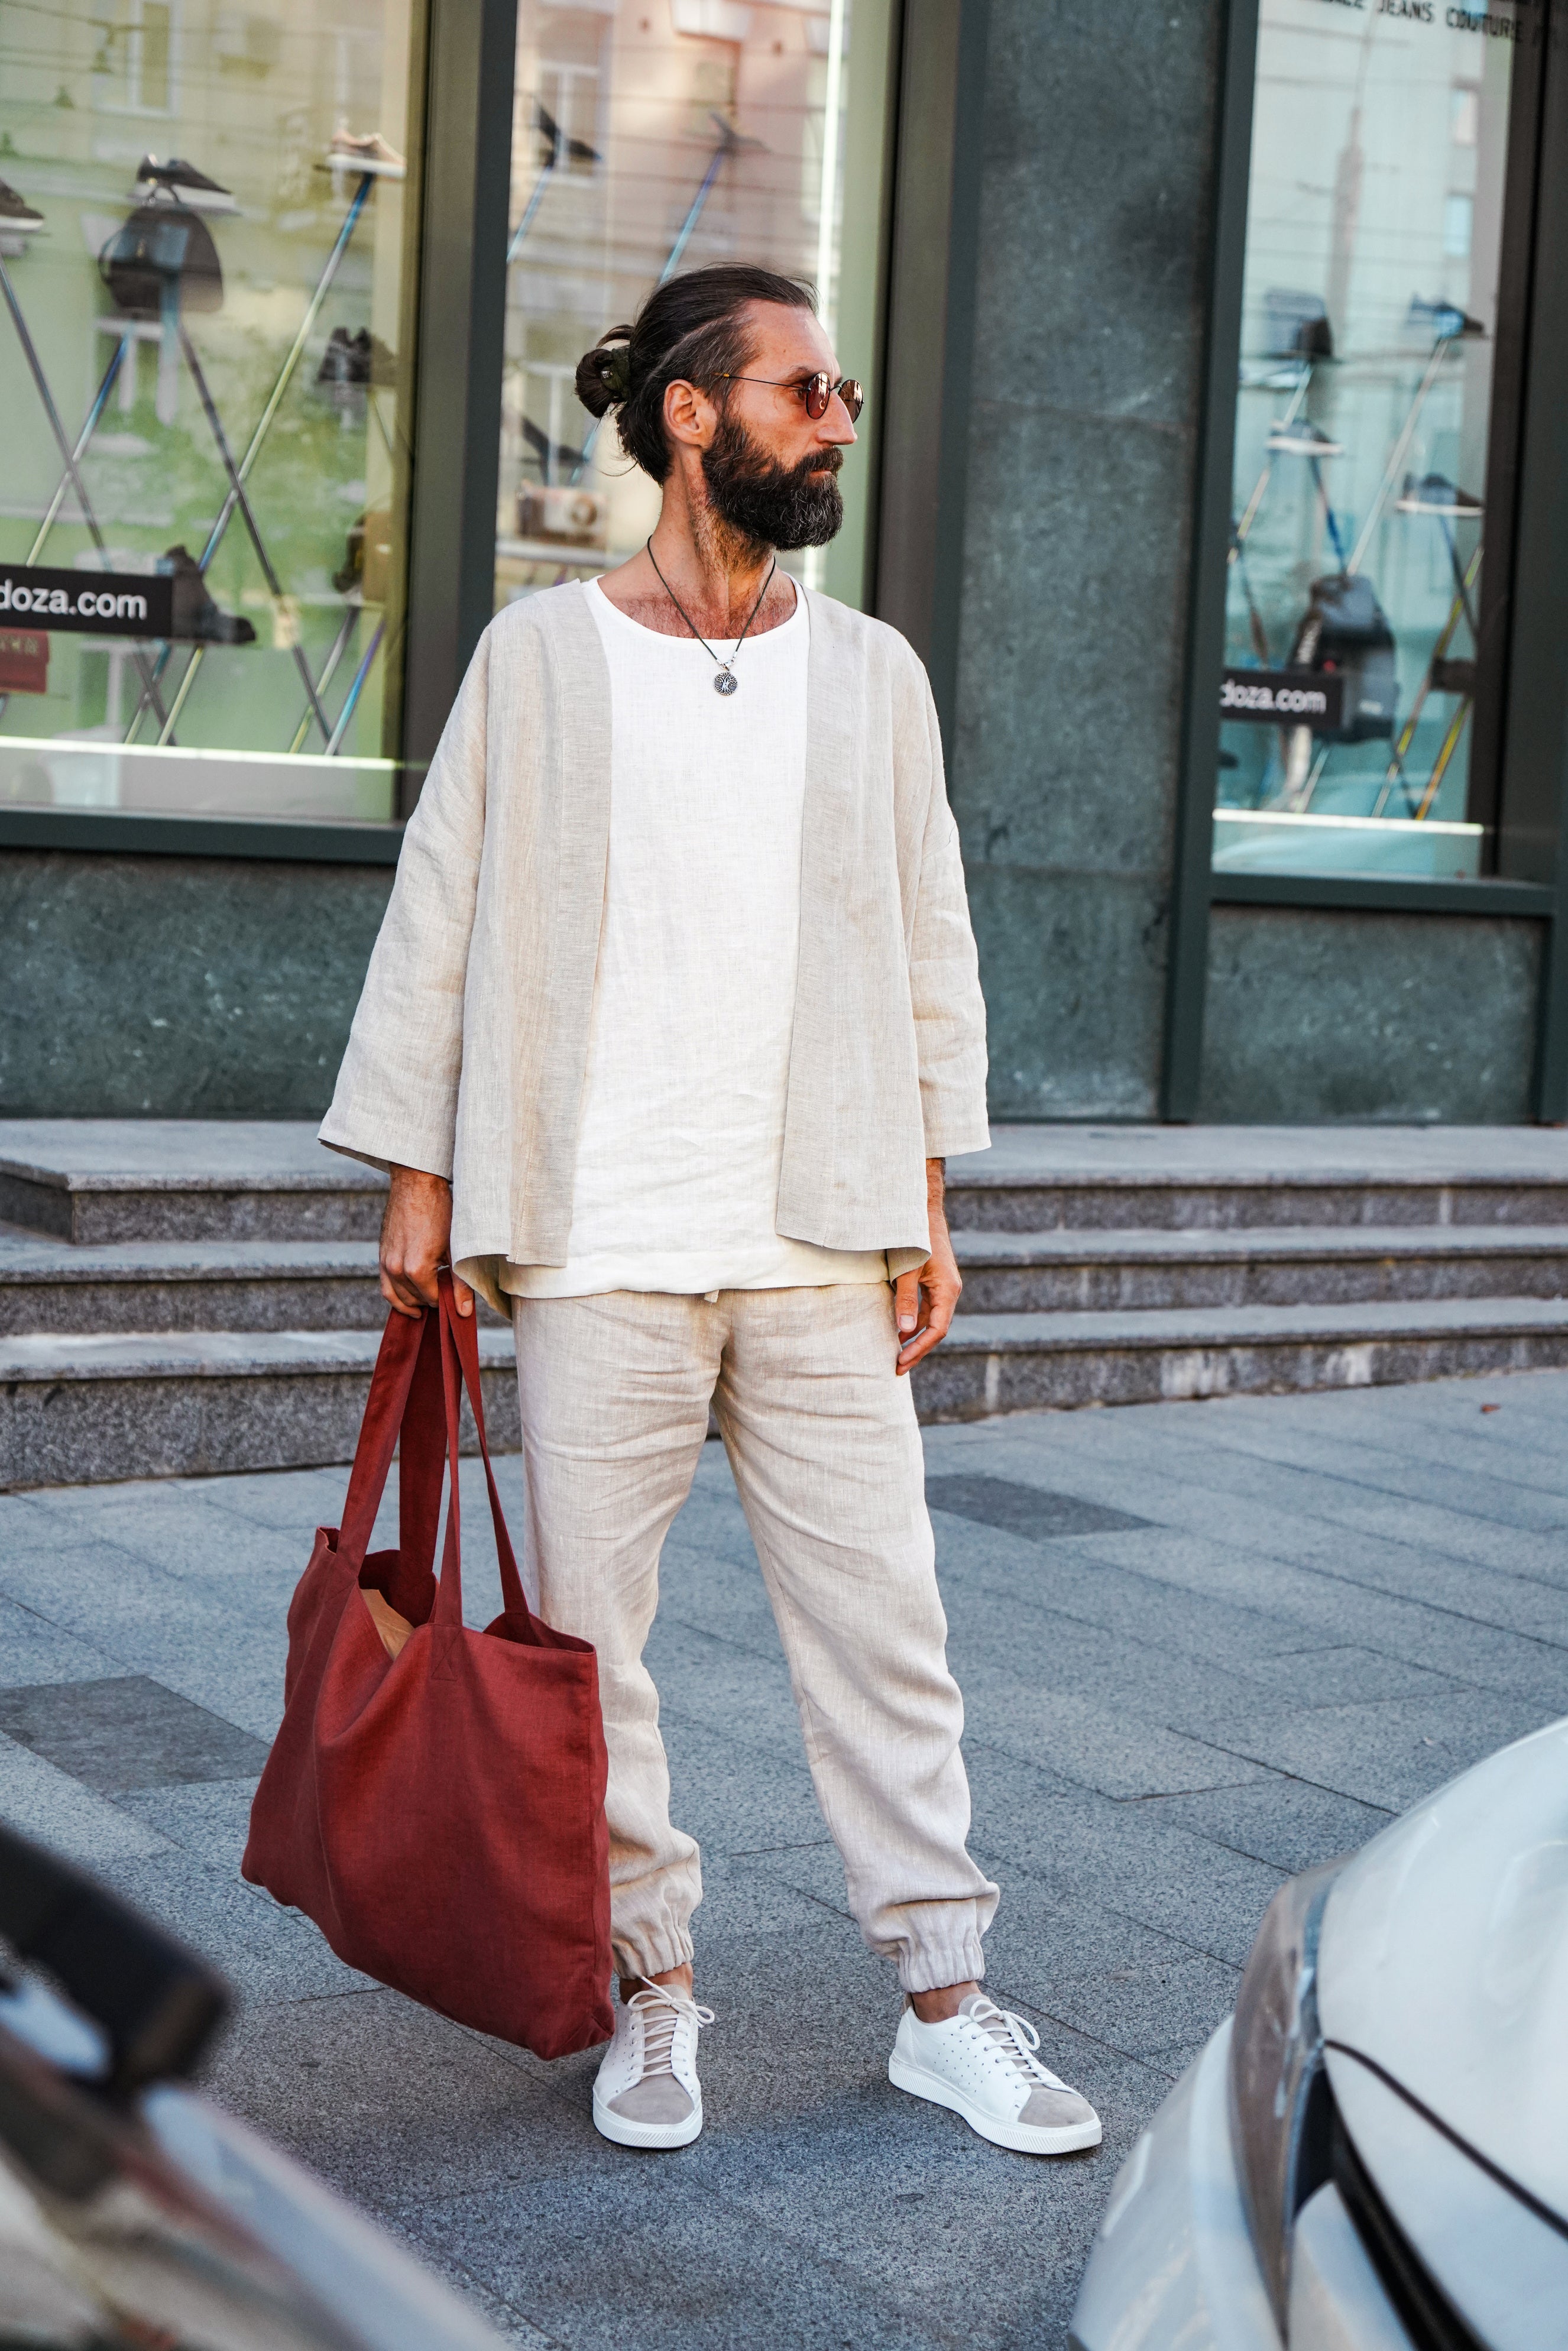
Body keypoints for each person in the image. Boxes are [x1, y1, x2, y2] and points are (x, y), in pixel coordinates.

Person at [320, 263, 1100, 2161]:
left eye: (843, 397)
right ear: (690, 415)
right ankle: (652, 1986)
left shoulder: (870, 670)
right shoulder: (541, 656)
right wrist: (419, 1172)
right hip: (596, 1237)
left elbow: (926, 939)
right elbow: (441, 908)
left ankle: (944, 1998)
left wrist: (923, 1197)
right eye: (800, 392)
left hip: (819, 1231)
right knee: (594, 1651)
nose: (836, 422)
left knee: (887, 1628)